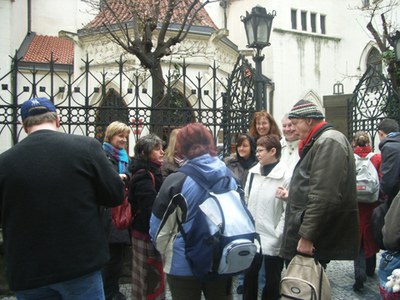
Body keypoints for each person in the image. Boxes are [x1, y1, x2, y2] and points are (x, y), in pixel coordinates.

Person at [0, 97, 124, 299]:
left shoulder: (4, 162)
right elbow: (114, 194)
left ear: (24, 126)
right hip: (79, 264)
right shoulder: (86, 147)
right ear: (57, 120)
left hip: (29, 270)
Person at [149, 123, 236, 300]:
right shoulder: (228, 175)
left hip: (184, 262)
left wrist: (170, 250)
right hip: (221, 257)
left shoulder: (177, 180)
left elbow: (157, 229)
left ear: (181, 147)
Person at [280, 99, 359, 266]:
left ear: (309, 120)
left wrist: (307, 236)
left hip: (312, 237)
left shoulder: (328, 141)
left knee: (303, 288)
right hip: (305, 229)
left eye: (295, 123)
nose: (292, 129)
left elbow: (323, 196)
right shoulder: (320, 140)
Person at [242, 135, 291, 300]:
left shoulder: (286, 175)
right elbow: (247, 201)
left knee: (272, 280)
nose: (257, 153)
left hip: (273, 235)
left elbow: (288, 210)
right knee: (249, 277)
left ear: (273, 151)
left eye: (261, 150)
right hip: (253, 234)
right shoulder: (253, 173)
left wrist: (278, 233)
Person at [128, 134, 165, 300]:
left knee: (149, 277)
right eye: (157, 149)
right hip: (147, 235)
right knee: (149, 279)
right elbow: (149, 210)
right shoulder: (144, 175)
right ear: (145, 153)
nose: (162, 152)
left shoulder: (152, 172)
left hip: (147, 233)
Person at [101, 121, 132, 300]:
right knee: (110, 257)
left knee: (117, 258)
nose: (123, 140)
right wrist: (122, 177)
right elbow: (108, 180)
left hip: (121, 212)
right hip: (108, 213)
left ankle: (112, 290)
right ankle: (108, 293)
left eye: (125, 136)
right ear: (110, 135)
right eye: (120, 136)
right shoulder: (102, 154)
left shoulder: (123, 156)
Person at [351, 131, 381, 292]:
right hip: (372, 205)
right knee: (371, 235)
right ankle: (370, 269)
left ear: (354, 143)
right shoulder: (376, 158)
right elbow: (382, 179)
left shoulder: (350, 158)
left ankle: (359, 273)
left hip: (355, 205)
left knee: (358, 239)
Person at [377, 118, 400, 202]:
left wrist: (382, 192)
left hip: (395, 196)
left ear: (380, 133)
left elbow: (389, 179)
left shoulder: (389, 147)